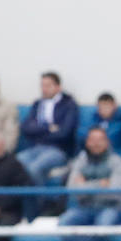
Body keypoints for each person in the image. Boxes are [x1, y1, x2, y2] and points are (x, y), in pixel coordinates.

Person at [58, 127, 121, 241]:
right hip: (84, 208)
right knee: (64, 223)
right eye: (92, 140)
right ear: (87, 142)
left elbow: (115, 191)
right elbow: (71, 190)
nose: (96, 144)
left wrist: (85, 185)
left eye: (99, 140)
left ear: (107, 142)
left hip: (110, 208)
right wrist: (100, 184)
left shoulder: (117, 162)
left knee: (104, 224)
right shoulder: (80, 162)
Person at [17, 71, 79, 218]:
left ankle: (40, 207)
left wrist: (38, 129)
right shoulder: (37, 104)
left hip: (57, 150)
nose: (44, 89)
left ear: (58, 87)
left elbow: (65, 132)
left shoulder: (69, 105)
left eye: (48, 85)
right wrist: (48, 127)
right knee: (14, 164)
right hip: (34, 148)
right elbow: (26, 128)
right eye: (42, 85)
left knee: (34, 169)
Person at [81, 92, 121, 159]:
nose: (104, 110)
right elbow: (84, 135)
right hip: (93, 156)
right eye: (101, 107)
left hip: (115, 154)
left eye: (107, 106)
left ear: (114, 106)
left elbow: (110, 138)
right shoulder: (94, 119)